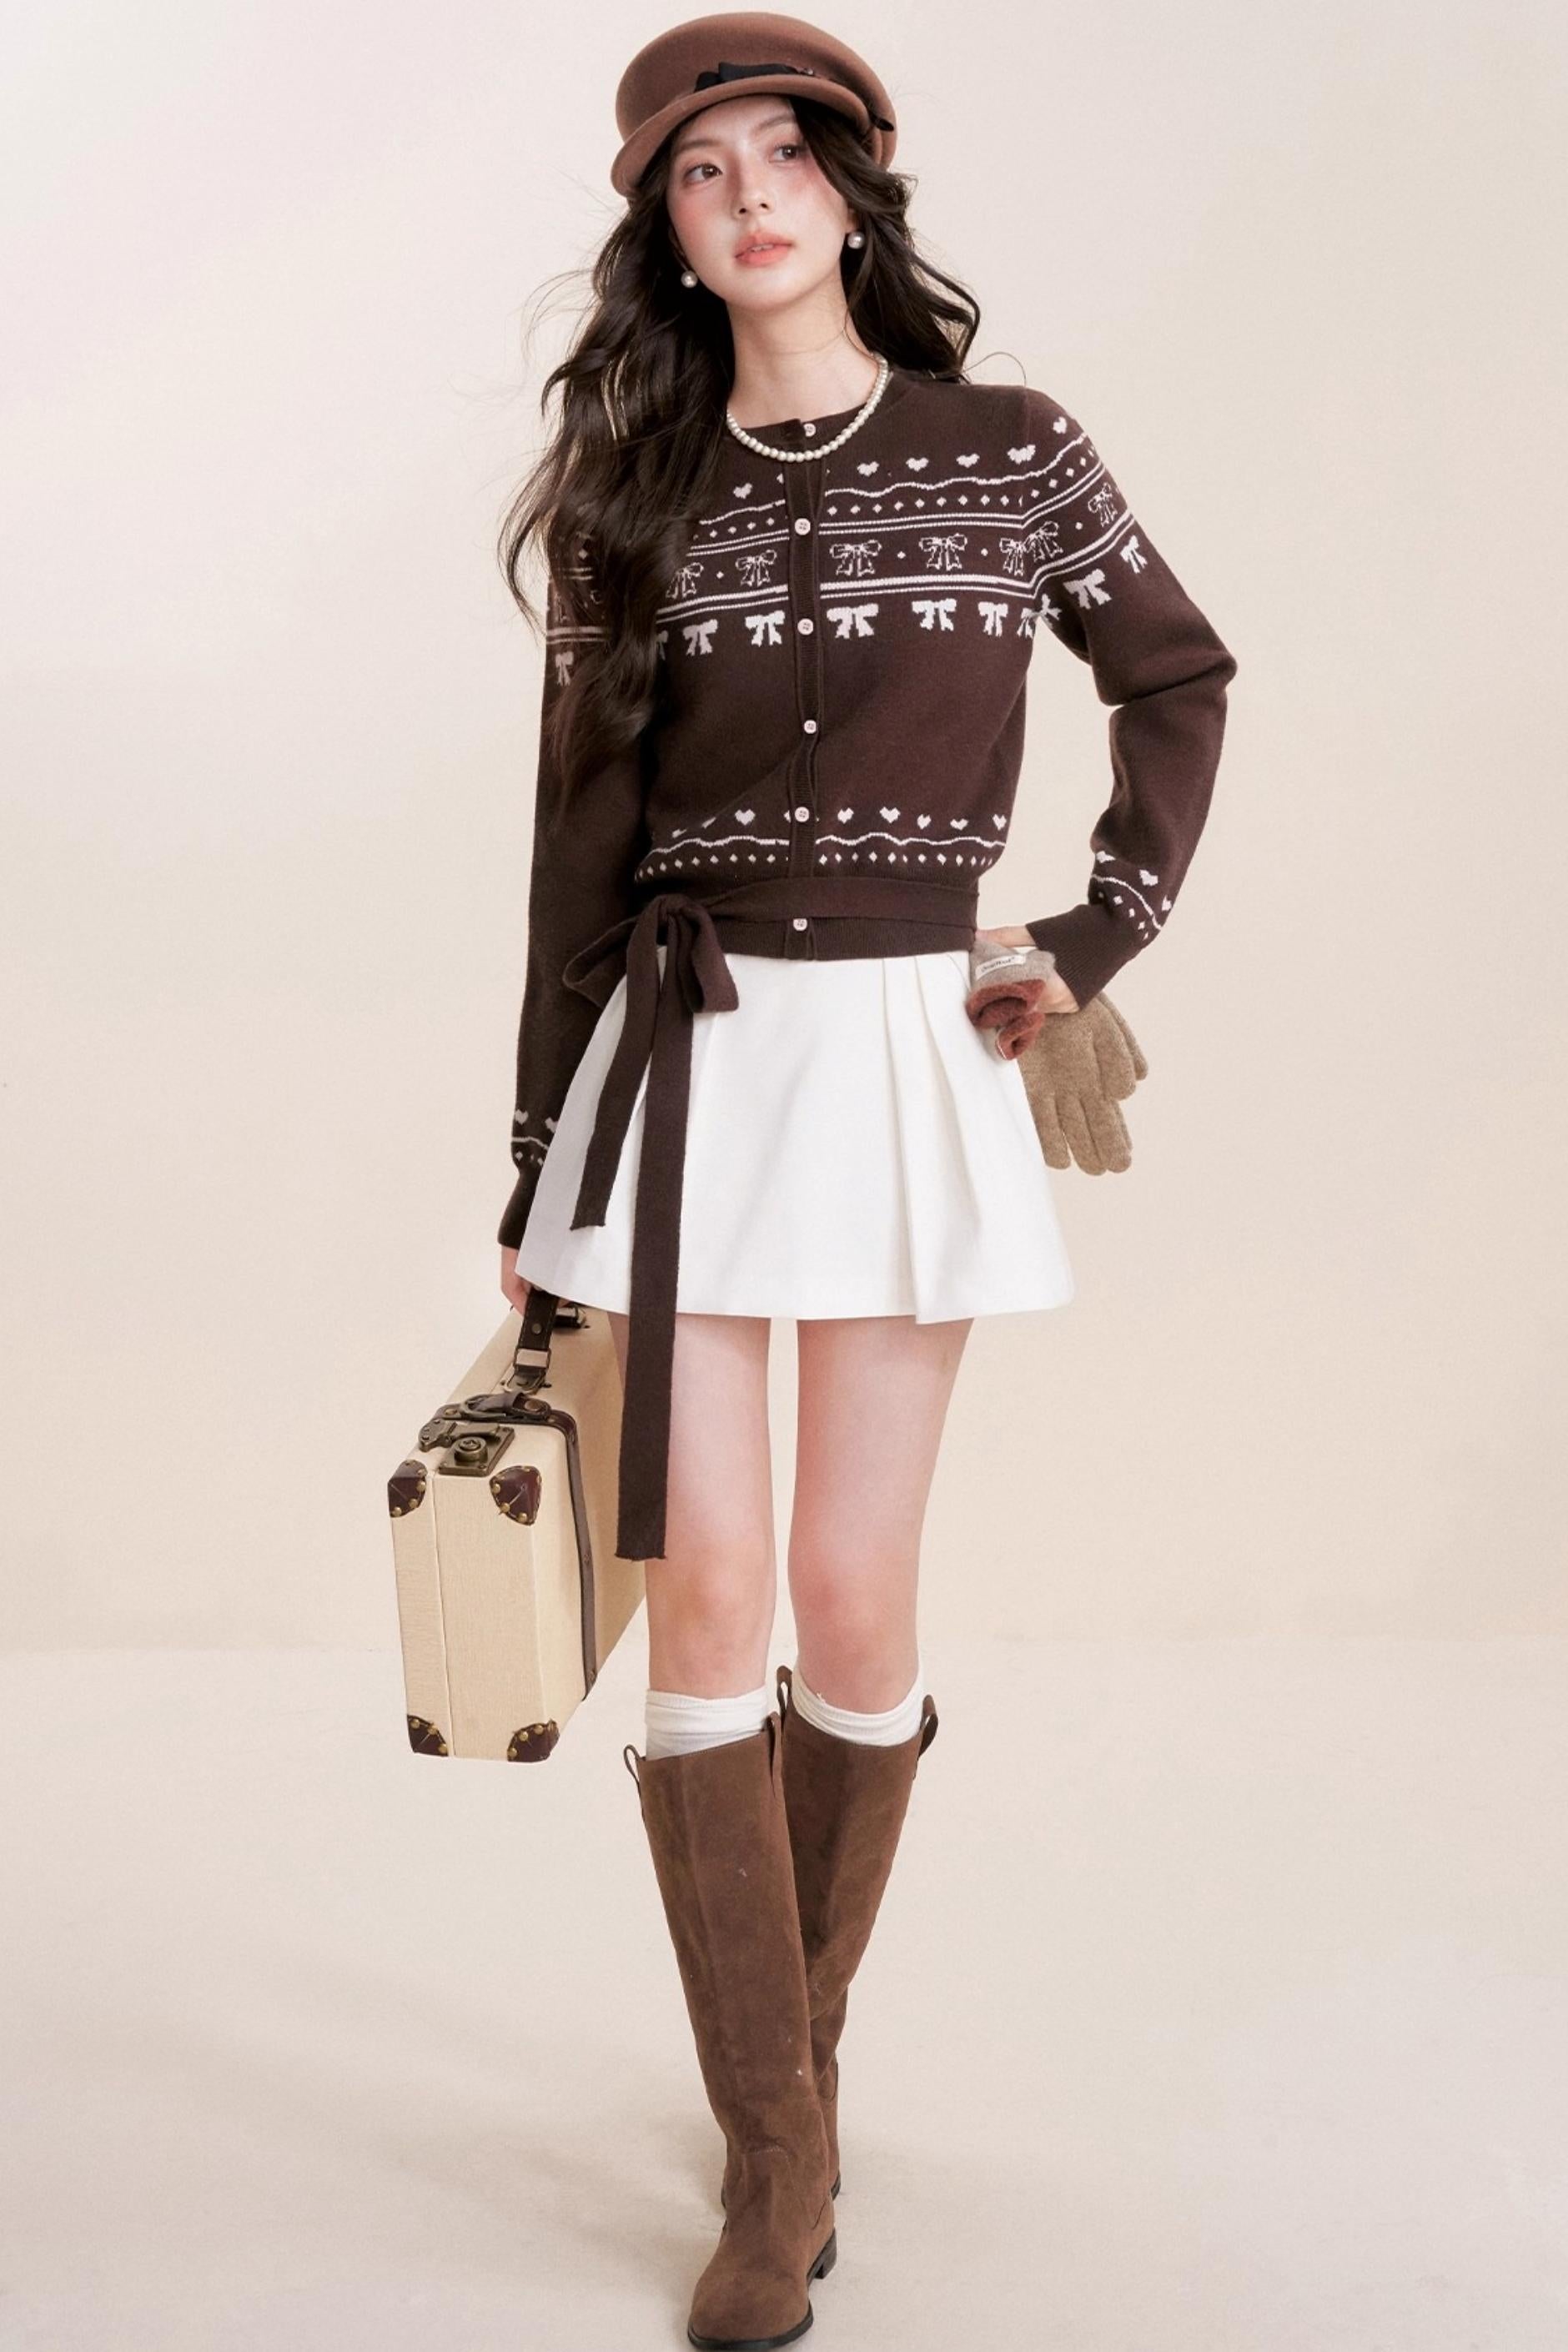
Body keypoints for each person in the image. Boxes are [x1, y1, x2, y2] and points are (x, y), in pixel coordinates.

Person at [490, 16, 1238, 2344]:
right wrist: (532, 1168)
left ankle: (787, 2080)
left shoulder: (1011, 448)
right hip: (690, 1072)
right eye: (700, 173)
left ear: (849, 188)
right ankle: (777, 2153)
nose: (747, 197)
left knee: (854, 1588)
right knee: (708, 1589)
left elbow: (1179, 675)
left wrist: (1093, 933)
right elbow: (578, 850)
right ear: (669, 233)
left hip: (911, 1052)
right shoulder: (633, 498)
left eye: (780, 157)